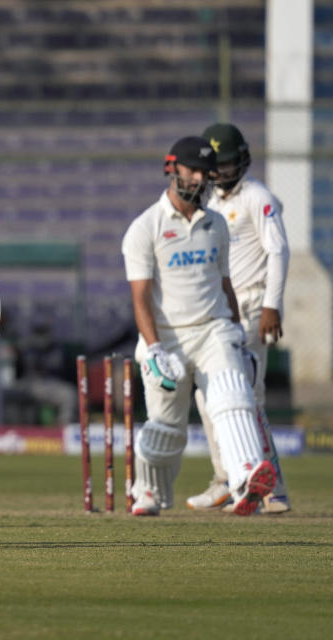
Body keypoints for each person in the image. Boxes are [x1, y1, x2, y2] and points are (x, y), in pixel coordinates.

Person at [120, 136, 275, 517]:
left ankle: (246, 478)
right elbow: (140, 298)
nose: (199, 180)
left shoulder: (216, 224)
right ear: (171, 169)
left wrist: (237, 332)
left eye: (205, 174)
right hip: (167, 338)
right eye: (192, 171)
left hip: (212, 329)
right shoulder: (145, 228)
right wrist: (153, 347)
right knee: (166, 429)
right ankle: (149, 493)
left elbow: (225, 285)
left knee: (231, 396)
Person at [186, 123, 291, 514]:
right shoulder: (207, 197)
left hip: (250, 307)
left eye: (229, 163)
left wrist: (272, 305)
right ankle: (231, 480)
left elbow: (278, 252)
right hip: (218, 311)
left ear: (242, 159)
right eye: (217, 165)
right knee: (210, 393)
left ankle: (269, 489)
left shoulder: (258, 196)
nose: (223, 172)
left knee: (244, 396)